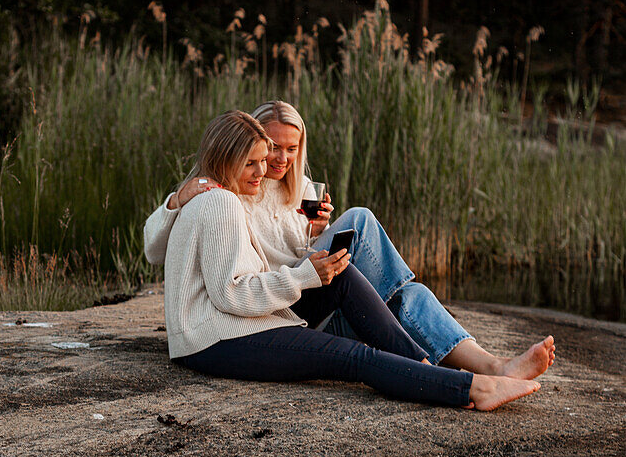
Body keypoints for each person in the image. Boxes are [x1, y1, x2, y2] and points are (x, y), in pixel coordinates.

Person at [154, 109, 541, 410]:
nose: (265, 170)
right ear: (227, 158)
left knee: (342, 277)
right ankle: (474, 386)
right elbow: (231, 295)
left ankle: (426, 371)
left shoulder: (220, 196)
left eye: (265, 159)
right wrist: (304, 275)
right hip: (217, 339)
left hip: (226, 330)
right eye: (253, 162)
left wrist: (310, 255)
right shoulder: (220, 202)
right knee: (355, 359)